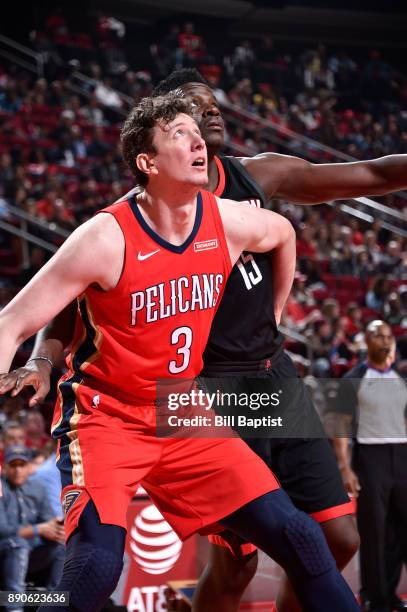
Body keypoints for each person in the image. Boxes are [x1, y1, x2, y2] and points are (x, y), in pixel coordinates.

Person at [4, 68, 407, 612]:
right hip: (167, 400)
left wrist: (277, 314)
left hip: (255, 384)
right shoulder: (109, 232)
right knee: (155, 565)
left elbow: (299, 222)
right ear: (150, 156)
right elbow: (51, 313)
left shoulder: (246, 192)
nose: (204, 122)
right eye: (187, 120)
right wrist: (40, 362)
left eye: (209, 112)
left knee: (327, 540)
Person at [334, 321, 407, 612]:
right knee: (374, 531)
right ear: (366, 339)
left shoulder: (401, 379)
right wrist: (345, 467)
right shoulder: (354, 379)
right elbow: (339, 424)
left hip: (402, 456)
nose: (384, 339)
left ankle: (389, 595)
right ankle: (373, 598)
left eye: (388, 335)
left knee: (400, 532)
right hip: (371, 458)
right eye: (377, 333)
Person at [0, 445, 65, 612]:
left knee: (61, 547)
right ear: (5, 467)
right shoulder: (1, 487)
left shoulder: (37, 488)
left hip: (32, 555)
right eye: (13, 465)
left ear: (29, 467)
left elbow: (47, 521)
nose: (18, 470)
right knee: (17, 544)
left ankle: (54, 606)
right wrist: (38, 530)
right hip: (5, 553)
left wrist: (55, 528)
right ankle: (14, 608)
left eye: (22, 465)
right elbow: (2, 530)